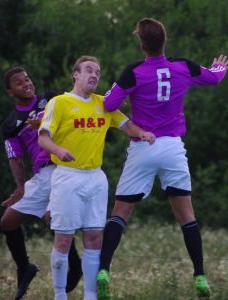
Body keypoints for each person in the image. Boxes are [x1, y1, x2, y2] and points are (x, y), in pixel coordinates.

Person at [96, 18, 228, 299]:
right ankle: (200, 277)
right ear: (164, 41)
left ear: (142, 45)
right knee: (186, 216)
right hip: (172, 148)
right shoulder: (183, 66)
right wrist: (219, 67)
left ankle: (104, 270)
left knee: (120, 214)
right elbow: (215, 76)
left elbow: (109, 104)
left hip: (143, 145)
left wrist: (123, 96)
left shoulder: (133, 72)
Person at [38, 55, 155, 300]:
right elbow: (43, 137)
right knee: (64, 238)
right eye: (89, 70)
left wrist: (142, 133)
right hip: (68, 177)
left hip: (95, 178)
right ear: (76, 74)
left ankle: (90, 296)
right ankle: (60, 295)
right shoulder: (60, 102)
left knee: (93, 237)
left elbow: (126, 125)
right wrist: (58, 150)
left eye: (98, 72)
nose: (94, 75)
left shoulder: (104, 104)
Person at [1, 67, 82, 300]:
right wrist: (20, 187)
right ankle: (24, 268)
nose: (26, 83)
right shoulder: (11, 123)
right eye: (18, 82)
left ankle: (75, 267)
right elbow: (14, 157)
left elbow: (76, 111)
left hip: (63, 166)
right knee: (8, 222)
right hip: (41, 175)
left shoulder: (52, 98)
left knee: (54, 220)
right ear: (10, 92)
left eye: (27, 78)